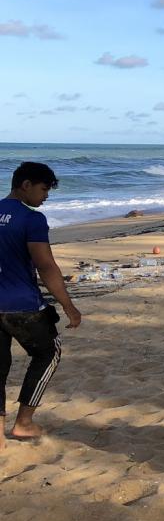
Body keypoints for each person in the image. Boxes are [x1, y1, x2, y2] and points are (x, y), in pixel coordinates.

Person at [0, 162, 81, 448]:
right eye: (44, 189)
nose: (46, 196)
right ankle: (23, 423)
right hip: (22, 305)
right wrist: (68, 306)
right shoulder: (32, 219)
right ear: (26, 185)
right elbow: (46, 266)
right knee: (48, 353)